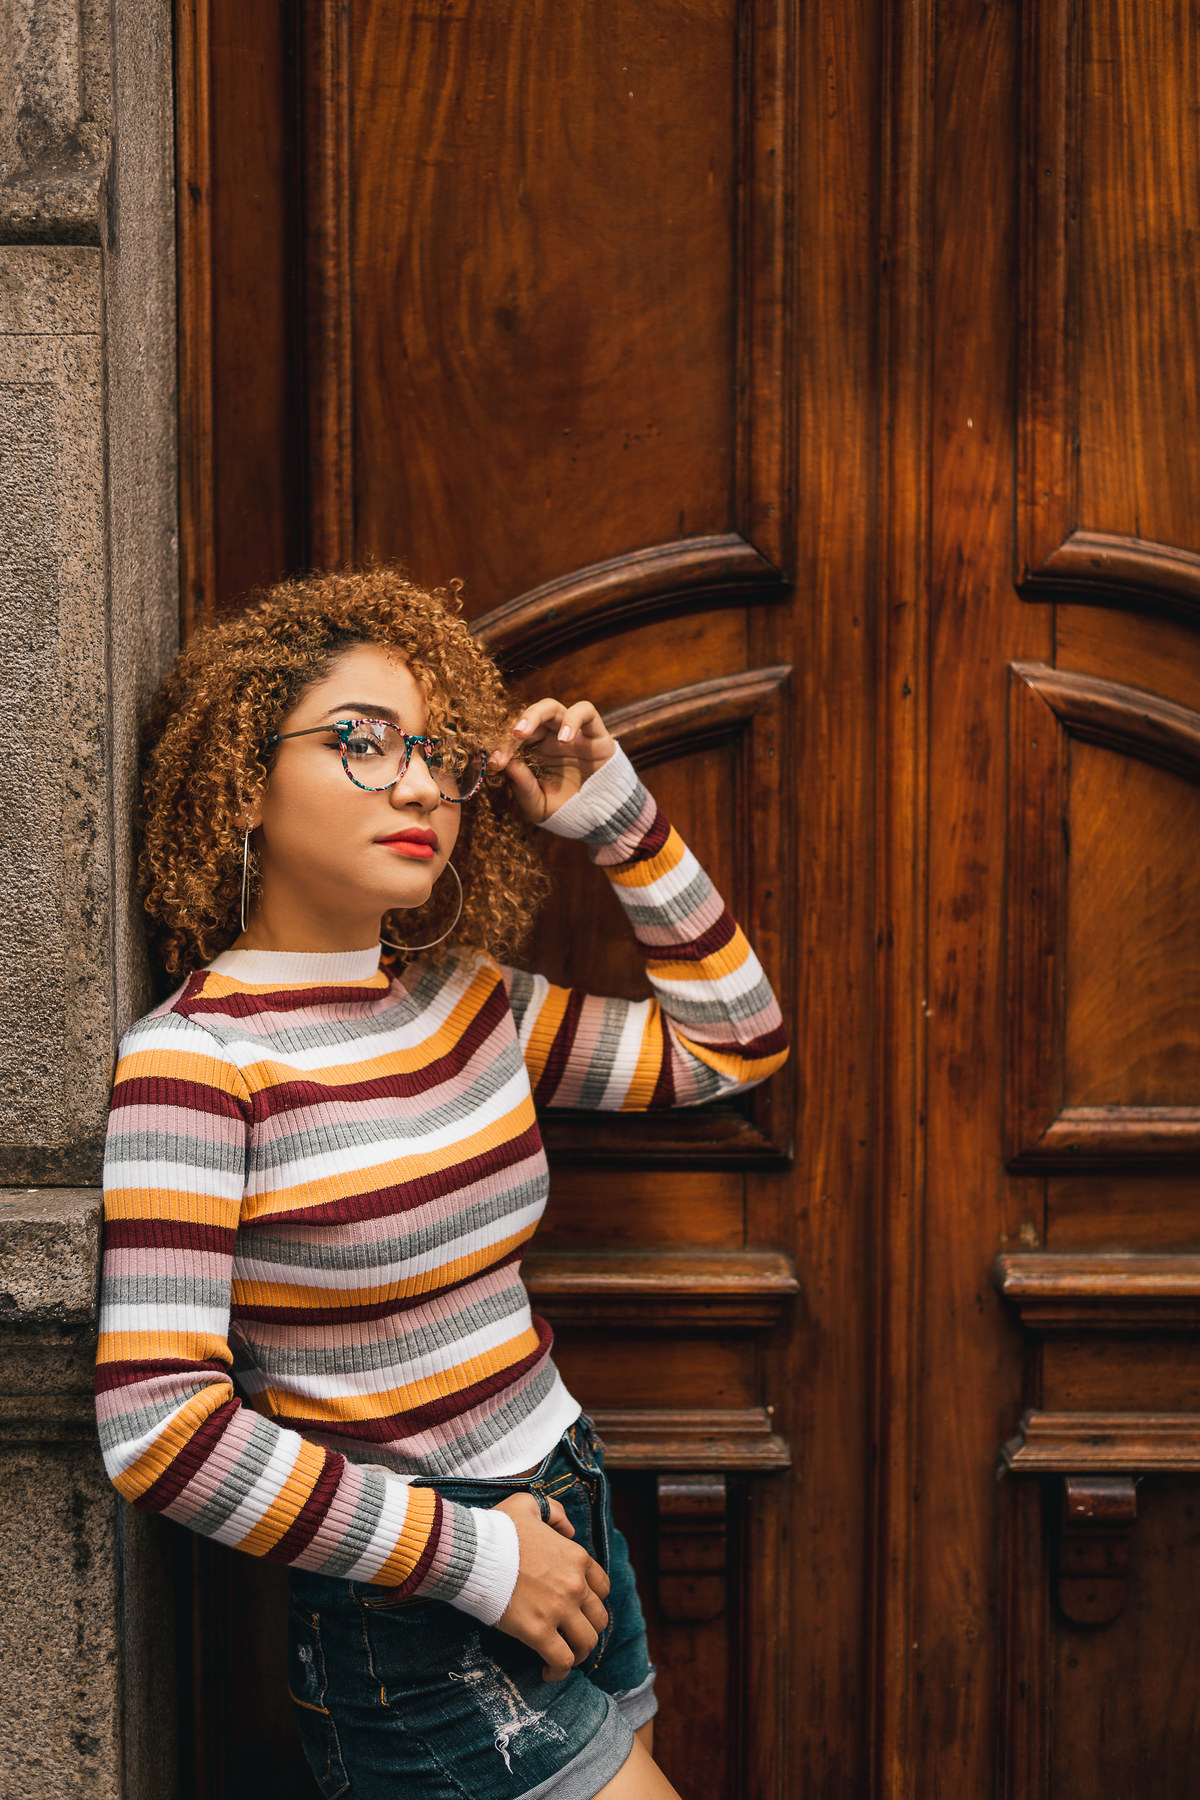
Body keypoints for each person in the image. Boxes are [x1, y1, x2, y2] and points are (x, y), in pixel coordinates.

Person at [94, 567, 788, 1800]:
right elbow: (158, 1429)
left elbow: (733, 1045)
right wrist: (475, 1558)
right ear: (245, 783)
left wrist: (620, 822)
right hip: (422, 1598)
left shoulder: (466, 1002)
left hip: (571, 1504)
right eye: (360, 744)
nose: (418, 784)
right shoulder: (194, 1061)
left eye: (437, 754)